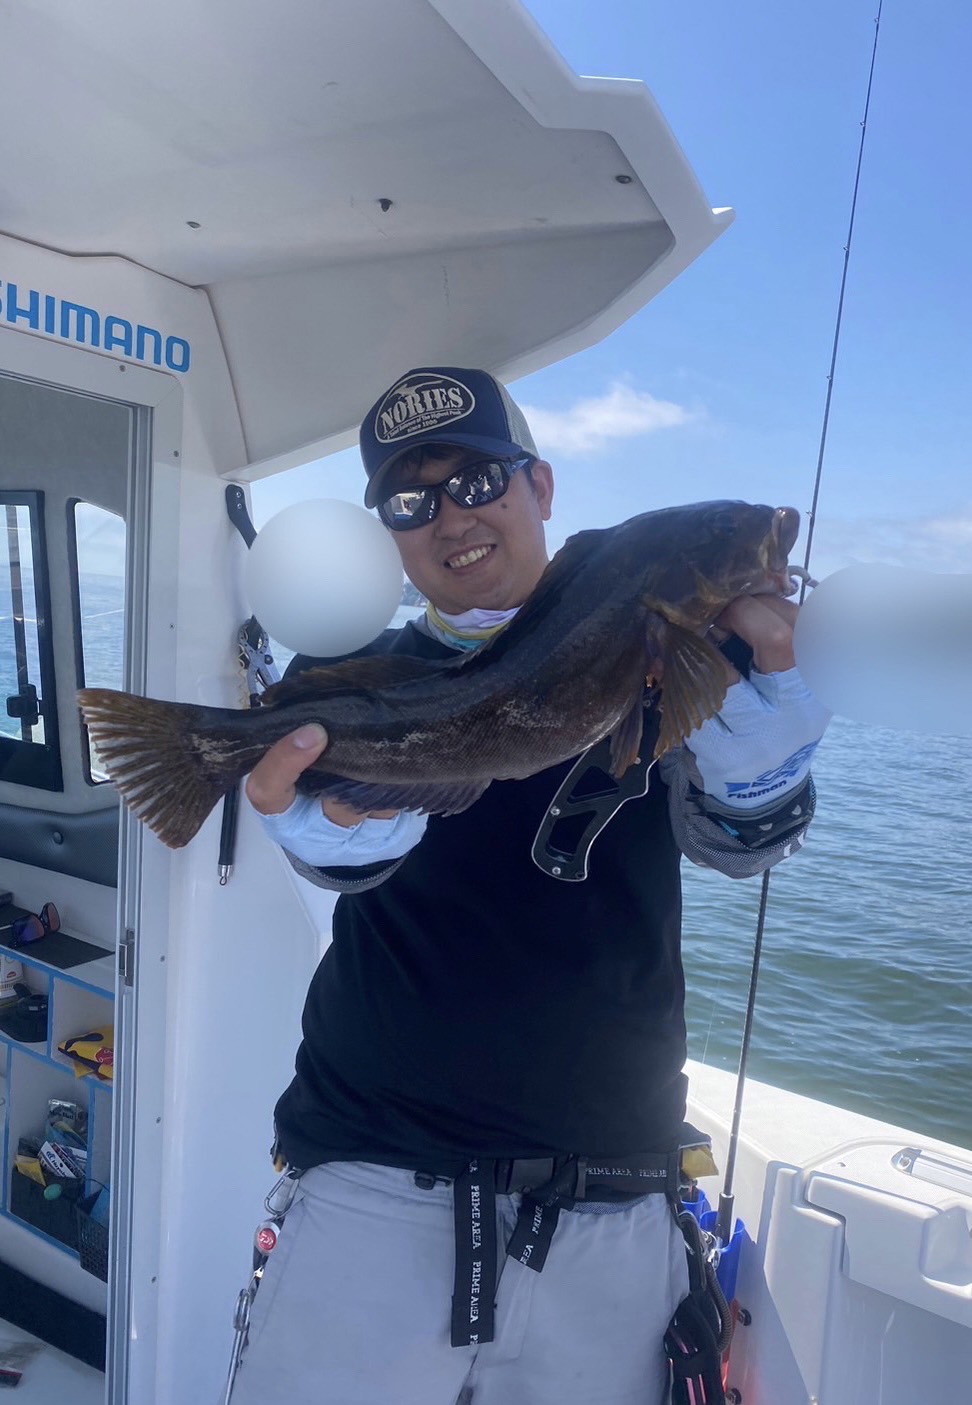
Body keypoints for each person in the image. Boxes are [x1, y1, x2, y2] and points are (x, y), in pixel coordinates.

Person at [229, 367, 831, 1405]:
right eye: (411, 500)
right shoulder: (359, 677)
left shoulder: (685, 659)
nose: (450, 517)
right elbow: (345, 854)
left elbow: (734, 846)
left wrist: (763, 779)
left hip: (614, 1204)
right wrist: (327, 838)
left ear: (540, 485)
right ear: (388, 533)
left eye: (478, 480)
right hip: (373, 1181)